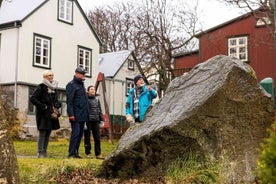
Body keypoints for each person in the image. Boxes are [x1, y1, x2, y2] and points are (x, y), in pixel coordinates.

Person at [30, 70, 61, 158]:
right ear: (45, 77)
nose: (51, 77)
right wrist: (43, 106)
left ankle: (45, 152)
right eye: (49, 75)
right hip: (43, 114)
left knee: (48, 133)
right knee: (43, 132)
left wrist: (57, 105)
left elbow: (55, 100)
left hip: (52, 114)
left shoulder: (54, 87)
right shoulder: (41, 87)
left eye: (52, 75)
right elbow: (33, 99)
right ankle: (40, 152)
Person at [66, 66, 89, 158]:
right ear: (77, 74)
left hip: (83, 114)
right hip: (75, 114)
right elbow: (69, 101)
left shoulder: (81, 85)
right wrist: (71, 114)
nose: (84, 76)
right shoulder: (71, 85)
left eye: (84, 74)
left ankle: (76, 152)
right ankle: (71, 153)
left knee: (80, 135)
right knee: (75, 134)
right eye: (82, 74)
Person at [83, 85, 105, 159]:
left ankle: (98, 154)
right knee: (87, 137)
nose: (93, 90)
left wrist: (101, 119)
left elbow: (100, 110)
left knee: (97, 138)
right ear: (88, 91)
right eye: (91, 89)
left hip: (96, 121)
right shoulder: (85, 99)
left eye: (94, 89)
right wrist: (84, 122)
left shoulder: (97, 99)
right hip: (88, 121)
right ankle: (88, 153)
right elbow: (84, 110)